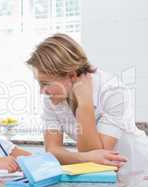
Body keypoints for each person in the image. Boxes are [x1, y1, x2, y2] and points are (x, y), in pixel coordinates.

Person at [26, 33, 148, 174]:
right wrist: (83, 157)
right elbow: (52, 151)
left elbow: (98, 159)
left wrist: (84, 105)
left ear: (71, 75)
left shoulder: (113, 92)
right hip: (100, 177)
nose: (42, 91)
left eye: (46, 83)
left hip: (136, 171)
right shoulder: (53, 97)